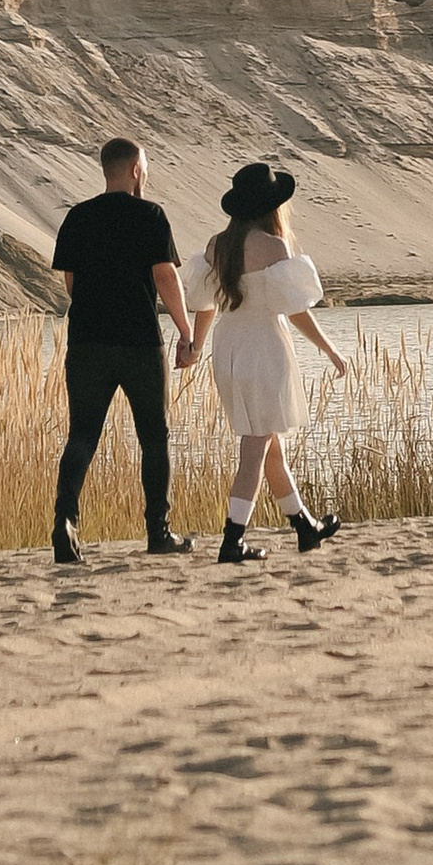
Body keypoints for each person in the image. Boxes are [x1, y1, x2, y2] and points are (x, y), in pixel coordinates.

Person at [178, 158, 346, 566]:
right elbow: (295, 309)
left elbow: (203, 305)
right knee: (254, 449)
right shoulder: (274, 247)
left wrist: (196, 347)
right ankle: (232, 540)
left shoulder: (216, 246)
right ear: (270, 205)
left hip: (229, 346)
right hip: (264, 346)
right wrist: (328, 348)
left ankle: (305, 527)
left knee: (270, 447)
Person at [50, 136, 195, 565]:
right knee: (154, 436)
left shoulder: (78, 216)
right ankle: (158, 533)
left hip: (87, 341)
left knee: (82, 435)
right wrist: (186, 332)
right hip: (138, 341)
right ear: (135, 170)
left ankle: (65, 522)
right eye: (145, 167)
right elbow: (165, 276)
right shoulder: (150, 215)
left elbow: (71, 283)